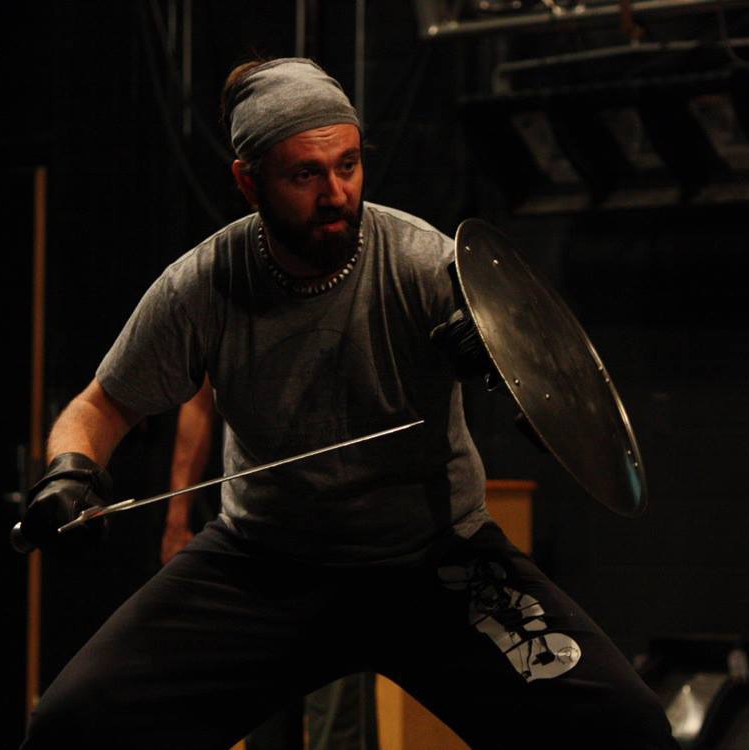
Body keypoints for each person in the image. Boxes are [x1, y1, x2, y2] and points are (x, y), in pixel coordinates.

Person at [17, 57, 679, 749]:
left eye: (349, 165)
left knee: (623, 727)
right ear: (249, 181)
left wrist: (512, 364)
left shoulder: (425, 263)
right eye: (305, 174)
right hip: (263, 566)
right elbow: (101, 405)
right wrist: (70, 470)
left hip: (434, 564)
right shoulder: (203, 285)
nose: (336, 193)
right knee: (73, 726)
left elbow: (568, 414)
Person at [163, 377, 379, 750]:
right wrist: (177, 518)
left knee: (339, 729)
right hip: (255, 545)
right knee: (263, 721)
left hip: (338, 546)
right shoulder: (232, 318)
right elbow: (199, 403)